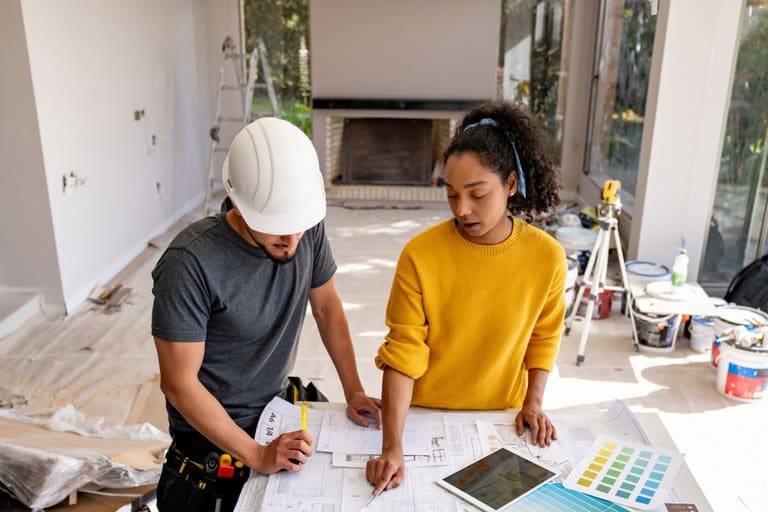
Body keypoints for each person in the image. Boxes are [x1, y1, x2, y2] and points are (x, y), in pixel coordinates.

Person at [151, 117, 381, 511]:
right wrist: (256, 455)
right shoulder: (190, 263)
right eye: (276, 228)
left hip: (275, 407)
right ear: (238, 204)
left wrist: (353, 388)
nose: (292, 239)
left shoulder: (304, 225)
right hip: (212, 437)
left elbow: (326, 307)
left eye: (298, 226)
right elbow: (178, 383)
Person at [365, 101, 566, 495]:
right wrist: (392, 445)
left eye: (477, 194)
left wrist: (534, 402)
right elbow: (403, 352)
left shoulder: (546, 257)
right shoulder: (420, 255)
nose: (463, 210)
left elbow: (544, 337)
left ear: (510, 185)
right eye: (452, 195)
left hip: (501, 421)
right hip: (422, 418)